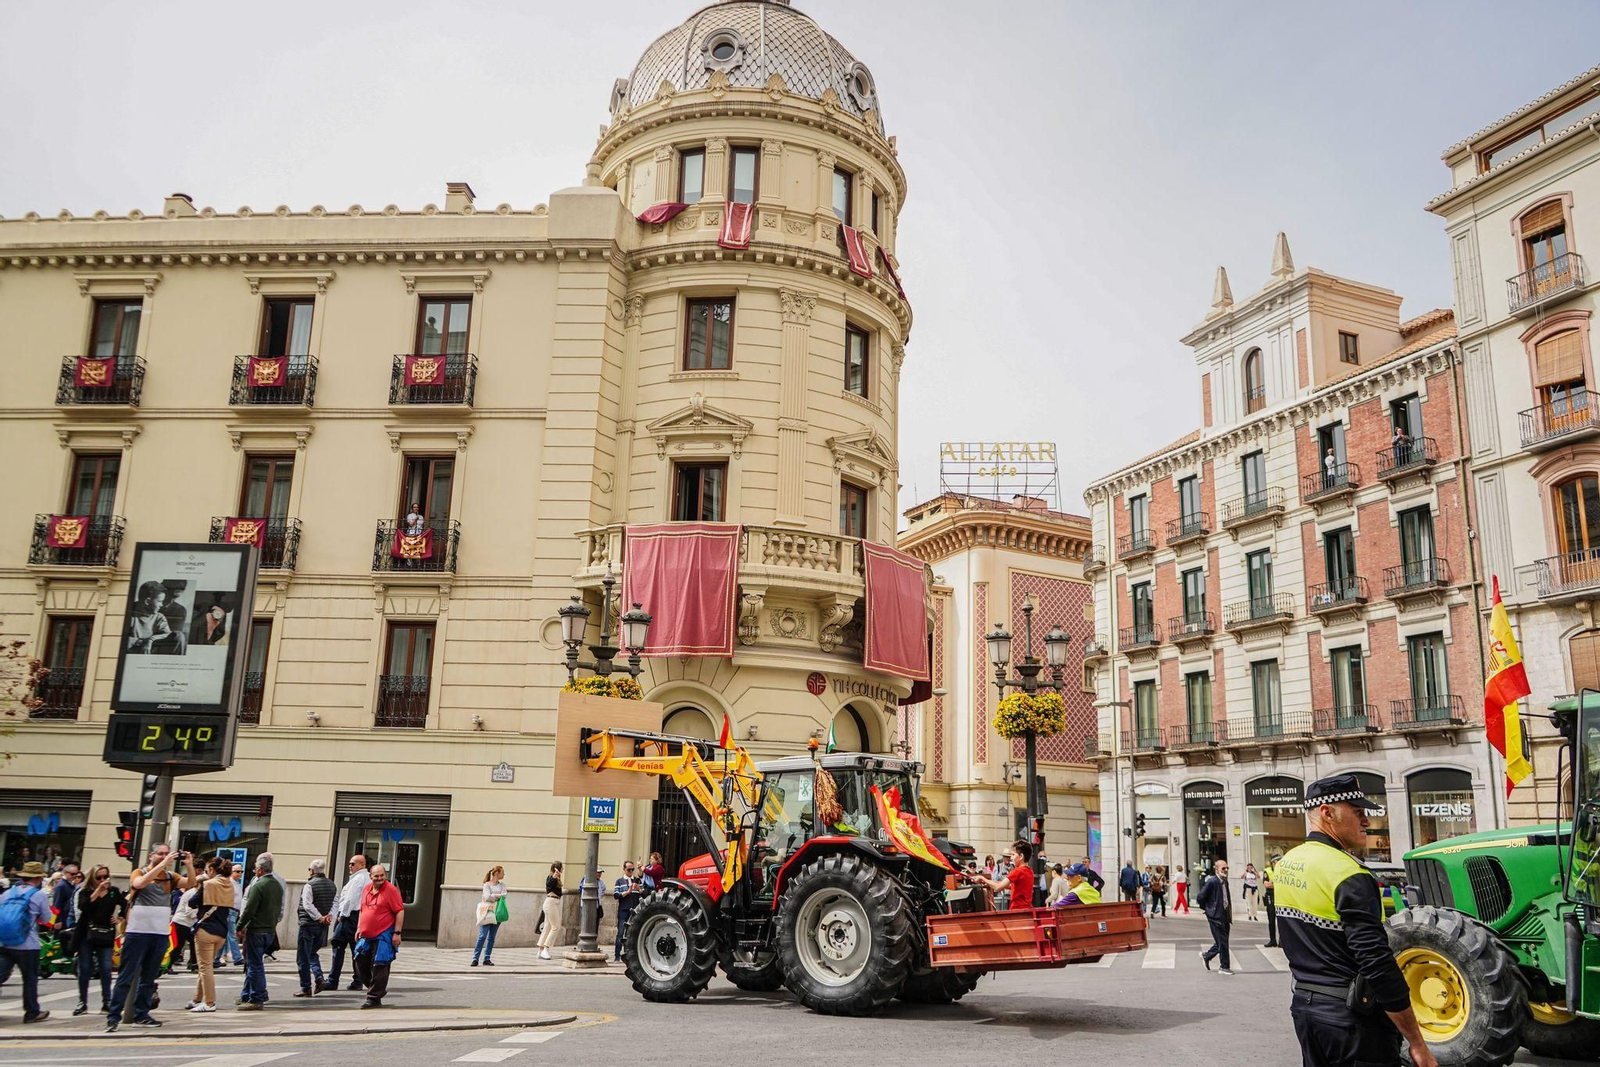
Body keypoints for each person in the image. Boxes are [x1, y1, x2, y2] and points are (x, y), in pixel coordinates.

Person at [1280, 773, 1438, 1067]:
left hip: (1305, 1009)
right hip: (1351, 1019)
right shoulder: (1349, 873)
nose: (1366, 821)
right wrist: (1417, 1043)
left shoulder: (1288, 862)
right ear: (1327, 813)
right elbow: (1376, 962)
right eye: (1357, 812)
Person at [106, 844, 198, 1031]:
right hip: (137, 933)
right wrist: (162, 864)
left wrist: (189, 864)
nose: (164, 857)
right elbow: (139, 884)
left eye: (167, 854)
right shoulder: (140, 872)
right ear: (151, 856)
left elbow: (190, 884)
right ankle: (113, 1016)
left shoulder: (170, 877)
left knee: (149, 978)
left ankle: (142, 1014)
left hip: (160, 933)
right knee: (126, 976)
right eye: (160, 854)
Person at [0, 860, 55, 1023]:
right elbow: (46, 918)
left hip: (5, 942)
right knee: (30, 979)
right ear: (37, 878)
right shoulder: (39, 895)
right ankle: (32, 1012)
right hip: (28, 944)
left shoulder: (8, 893)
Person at [71, 865, 124, 1016]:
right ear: (92, 878)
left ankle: (107, 1002)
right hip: (86, 933)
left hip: (105, 933)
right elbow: (83, 906)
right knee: (85, 968)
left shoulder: (113, 891)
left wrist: (119, 918)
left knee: (106, 968)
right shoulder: (85, 891)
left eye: (105, 877)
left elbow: (125, 904)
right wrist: (98, 891)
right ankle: (82, 1002)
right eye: (99, 877)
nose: (102, 880)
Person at [353, 862, 405, 1009]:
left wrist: (397, 933)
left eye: (382, 875)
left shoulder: (391, 890)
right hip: (366, 935)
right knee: (359, 961)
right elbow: (362, 910)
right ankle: (377, 989)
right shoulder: (366, 889)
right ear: (370, 876)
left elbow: (400, 911)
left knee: (380, 965)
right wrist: (359, 927)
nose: (380, 878)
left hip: (384, 934)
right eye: (376, 876)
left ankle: (373, 997)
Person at [235, 853, 283, 1011]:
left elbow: (249, 909)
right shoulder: (277, 885)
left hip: (256, 929)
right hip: (269, 929)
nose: (255, 871)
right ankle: (247, 994)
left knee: (254, 965)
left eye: (256, 869)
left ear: (260, 870)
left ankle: (257, 997)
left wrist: (239, 926)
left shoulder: (259, 885)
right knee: (254, 963)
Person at [188, 855, 235, 1012]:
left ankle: (209, 1002)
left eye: (207, 870)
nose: (206, 872)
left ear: (212, 870)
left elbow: (192, 902)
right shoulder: (230, 885)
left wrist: (199, 887)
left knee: (205, 967)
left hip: (206, 929)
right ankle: (197, 998)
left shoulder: (208, 884)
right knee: (206, 966)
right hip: (222, 932)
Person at [294, 859, 336, 997]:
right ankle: (319, 978)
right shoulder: (332, 884)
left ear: (312, 871)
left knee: (303, 957)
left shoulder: (309, 885)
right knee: (312, 953)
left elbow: (307, 905)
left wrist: (319, 917)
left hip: (308, 924)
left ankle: (306, 987)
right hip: (322, 926)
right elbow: (335, 902)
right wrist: (329, 916)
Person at [329, 854, 370, 991]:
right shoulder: (366, 878)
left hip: (349, 917)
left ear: (362, 865)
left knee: (338, 946)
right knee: (355, 950)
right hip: (359, 917)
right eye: (349, 863)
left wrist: (342, 915)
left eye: (353, 864)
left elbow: (349, 900)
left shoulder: (358, 879)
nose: (350, 866)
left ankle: (333, 980)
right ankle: (358, 980)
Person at [967, 841, 1037, 911]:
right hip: (1027, 910)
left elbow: (998, 887)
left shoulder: (1017, 871)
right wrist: (988, 882)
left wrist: (982, 878)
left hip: (1017, 910)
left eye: (1013, 855)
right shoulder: (1030, 871)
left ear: (1021, 856)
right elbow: (1010, 886)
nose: (1011, 858)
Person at [126, 581, 186, 654]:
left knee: (179, 635)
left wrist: (151, 640)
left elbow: (167, 634)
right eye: (160, 601)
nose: (161, 605)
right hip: (133, 650)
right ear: (147, 601)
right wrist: (141, 642)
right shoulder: (129, 613)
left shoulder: (159, 617)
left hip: (151, 649)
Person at [1196, 859, 1234, 975]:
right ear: (1217, 869)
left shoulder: (1225, 881)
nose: (1226, 870)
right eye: (1223, 868)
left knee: (1222, 941)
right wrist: (1208, 909)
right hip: (1215, 916)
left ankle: (1207, 956)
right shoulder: (1212, 881)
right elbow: (1200, 897)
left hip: (1225, 914)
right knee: (1223, 943)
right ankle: (1224, 967)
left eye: (1227, 868)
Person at [473, 866, 507, 966]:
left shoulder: (502, 885)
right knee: (482, 936)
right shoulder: (486, 885)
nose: (504, 874)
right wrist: (498, 896)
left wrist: (494, 895)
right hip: (487, 912)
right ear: (497, 874)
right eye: (502, 872)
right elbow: (487, 897)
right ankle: (475, 958)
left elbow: (505, 895)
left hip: (497, 912)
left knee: (491, 937)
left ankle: (487, 959)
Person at [612, 861, 642, 962]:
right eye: (629, 869)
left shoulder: (637, 880)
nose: (631, 871)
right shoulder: (619, 881)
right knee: (621, 932)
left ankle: (629, 956)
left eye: (632, 869)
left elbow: (643, 894)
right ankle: (617, 955)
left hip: (634, 910)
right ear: (624, 869)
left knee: (632, 933)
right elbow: (616, 895)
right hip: (623, 910)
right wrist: (627, 892)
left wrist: (639, 889)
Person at [538, 861, 563, 960]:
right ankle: (546, 948)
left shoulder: (556, 878)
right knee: (556, 926)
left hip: (552, 902)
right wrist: (554, 876)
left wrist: (556, 877)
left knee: (547, 927)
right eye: (561, 867)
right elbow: (549, 885)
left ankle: (540, 950)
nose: (563, 869)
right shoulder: (551, 877)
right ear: (557, 868)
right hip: (551, 903)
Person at [50, 862, 79, 940]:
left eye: (76, 874)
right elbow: (56, 904)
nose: (75, 876)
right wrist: (57, 920)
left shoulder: (70, 884)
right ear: (65, 873)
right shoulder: (61, 886)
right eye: (72, 874)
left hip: (67, 917)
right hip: (62, 918)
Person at [1264, 852, 1281, 948]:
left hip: (1280, 898)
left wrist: (1273, 883)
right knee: (1271, 920)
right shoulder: (1267, 871)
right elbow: (1266, 884)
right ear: (1273, 862)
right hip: (1271, 898)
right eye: (1278, 861)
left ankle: (1281, 941)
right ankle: (1272, 940)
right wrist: (1276, 884)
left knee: (1281, 921)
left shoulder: (1282, 870)